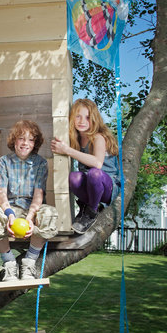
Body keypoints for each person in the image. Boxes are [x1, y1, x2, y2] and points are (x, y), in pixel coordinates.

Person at [0, 120, 58, 281]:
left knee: (50, 213)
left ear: (35, 143)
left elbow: (39, 194)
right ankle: (9, 265)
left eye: (30, 140)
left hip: (32, 208)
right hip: (11, 207)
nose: (25, 143)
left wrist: (30, 218)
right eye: (21, 138)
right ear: (14, 140)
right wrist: (9, 216)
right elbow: (1, 193)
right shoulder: (3, 162)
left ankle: (29, 263)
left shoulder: (41, 163)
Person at [51, 98, 121, 234]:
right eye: (78, 116)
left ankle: (91, 213)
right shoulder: (76, 139)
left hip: (106, 187)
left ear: (94, 119)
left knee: (94, 173)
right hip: (90, 187)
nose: (82, 121)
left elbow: (97, 163)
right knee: (73, 177)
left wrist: (67, 150)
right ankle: (85, 205)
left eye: (87, 117)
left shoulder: (98, 137)